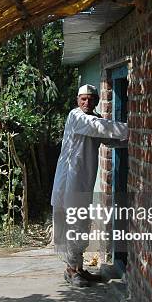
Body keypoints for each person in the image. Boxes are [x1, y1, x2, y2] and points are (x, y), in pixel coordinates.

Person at [51, 84, 128, 287]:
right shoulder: (77, 117)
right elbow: (99, 127)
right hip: (71, 182)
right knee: (74, 225)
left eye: (91, 99)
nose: (87, 103)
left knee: (82, 224)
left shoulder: (93, 118)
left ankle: (79, 269)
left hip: (82, 181)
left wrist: (131, 139)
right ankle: (71, 270)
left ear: (96, 101)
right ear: (78, 100)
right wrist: (132, 128)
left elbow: (108, 138)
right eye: (83, 99)